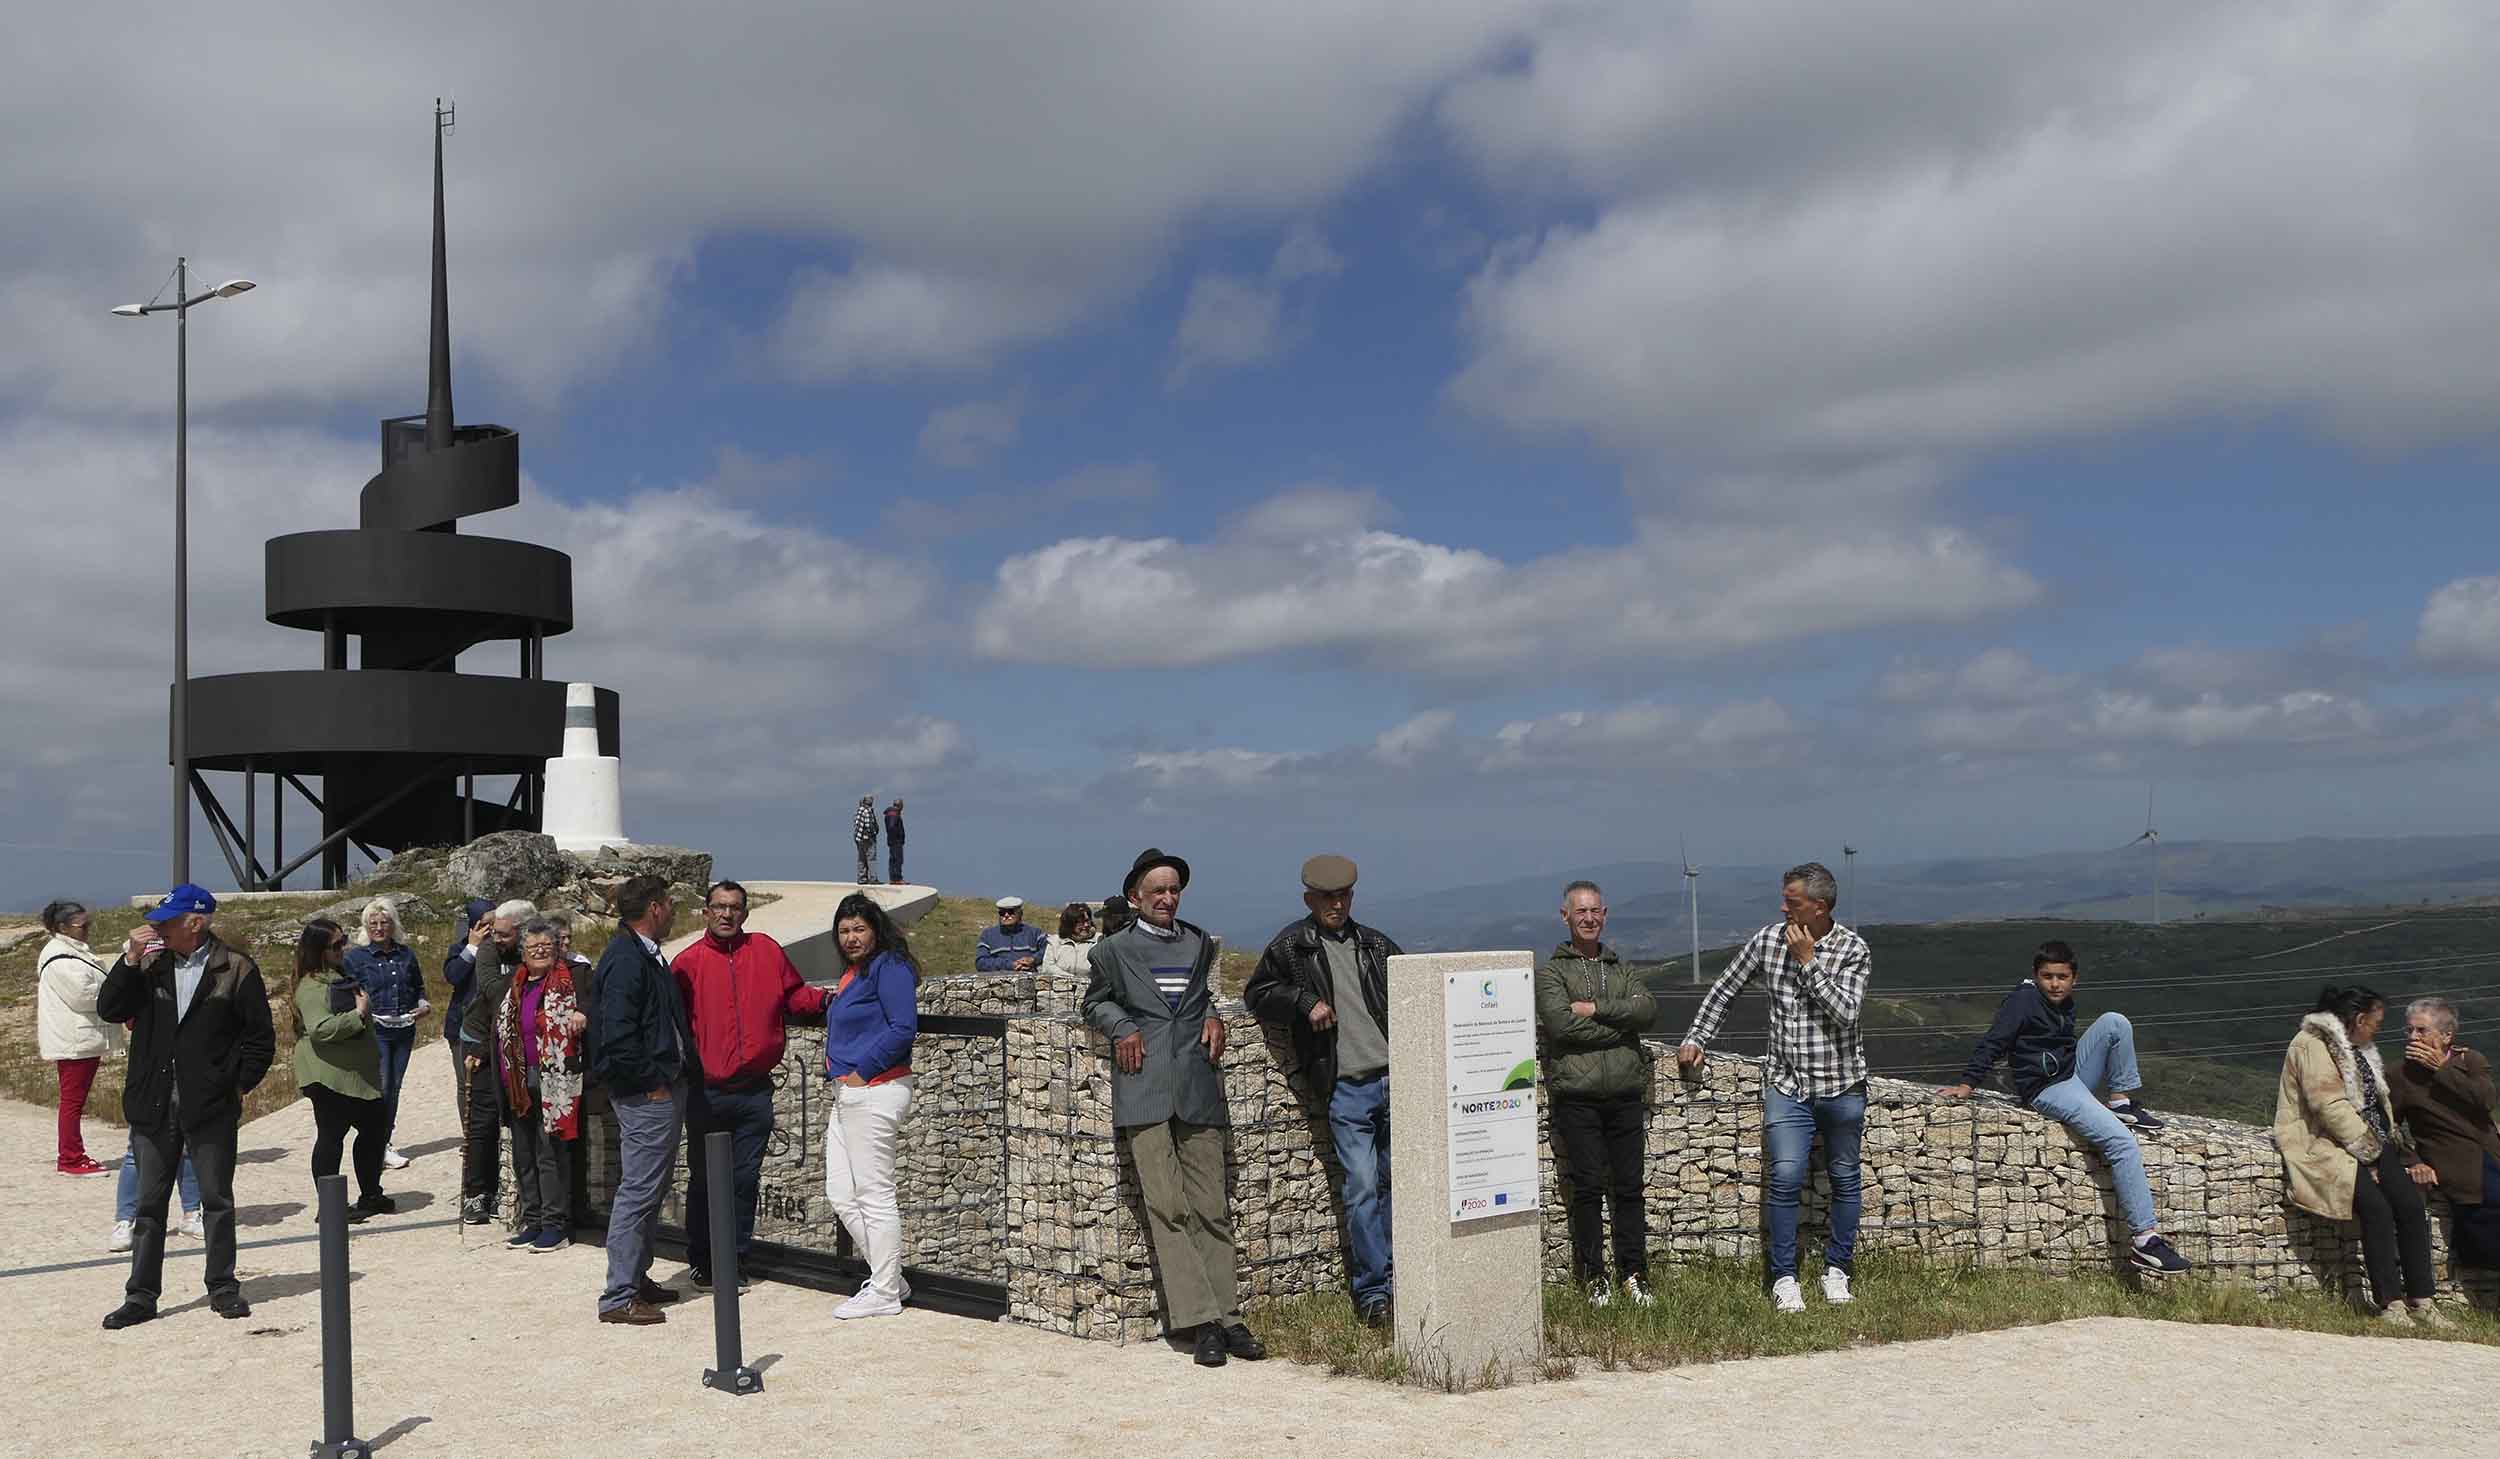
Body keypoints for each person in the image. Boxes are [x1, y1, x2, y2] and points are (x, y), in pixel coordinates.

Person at [1082, 847, 1262, 1367]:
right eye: (1157, 890)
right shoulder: (1112, 951)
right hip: (1145, 1090)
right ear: (1135, 897)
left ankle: (1229, 1317)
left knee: (1212, 1207)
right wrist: (1121, 1025)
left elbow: (1198, 997)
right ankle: (1201, 1321)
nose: (1167, 898)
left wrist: (1212, 1014)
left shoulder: (1198, 943)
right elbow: (1094, 1002)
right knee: (1168, 1207)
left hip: (1198, 1086)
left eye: (1173, 889)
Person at [1679, 862, 1872, 1315]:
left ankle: (1837, 1268)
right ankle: (1784, 1277)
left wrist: (1808, 962)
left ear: (1819, 907)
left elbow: (1846, 1012)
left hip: (1842, 1086)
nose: (1783, 908)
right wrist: (1696, 1037)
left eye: (1792, 901)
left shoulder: (1853, 949)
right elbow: (1725, 989)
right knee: (1785, 1176)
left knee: (1845, 1177)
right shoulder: (1767, 941)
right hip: (1787, 1085)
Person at [1938, 941, 2189, 1276]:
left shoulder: (2062, 1000)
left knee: (2115, 1022)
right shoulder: (2023, 1002)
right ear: (2035, 976)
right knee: (2123, 1143)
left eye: (2062, 977)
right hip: (2047, 1088)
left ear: (2074, 979)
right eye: (2047, 977)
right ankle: (2145, 1240)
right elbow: (1995, 1041)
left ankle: (2120, 1102)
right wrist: (1967, 1085)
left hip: (2069, 1074)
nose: (2055, 984)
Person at [95, 884, 276, 1328]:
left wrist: (235, 1087)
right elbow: (110, 1008)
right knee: (149, 1205)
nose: (156, 928)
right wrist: (129, 961)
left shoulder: (236, 967)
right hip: (153, 1102)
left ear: (195, 923)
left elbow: (259, 1039)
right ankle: (140, 1296)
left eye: (166, 921)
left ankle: (223, 1286)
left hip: (211, 1106)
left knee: (216, 1200)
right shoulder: (149, 964)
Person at [1244, 855, 1404, 1325]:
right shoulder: (1292, 946)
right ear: (1309, 899)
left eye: (1343, 896)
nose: (1337, 904)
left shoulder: (1376, 944)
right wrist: (1303, 1000)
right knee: (1362, 1188)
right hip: (1346, 1087)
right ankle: (1373, 1293)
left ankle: (1402, 1281)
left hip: (1396, 1081)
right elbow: (1257, 994)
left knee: (1397, 1185)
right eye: (1327, 897)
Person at [670, 879, 827, 1287]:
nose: (726, 914)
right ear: (706, 911)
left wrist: (831, 999)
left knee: (744, 1180)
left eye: (734, 907)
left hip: (755, 1091)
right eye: (719, 907)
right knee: (704, 1181)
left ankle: (735, 1258)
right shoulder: (686, 963)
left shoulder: (766, 951)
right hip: (706, 1092)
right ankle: (703, 1260)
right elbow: (671, 1024)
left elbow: (794, 995)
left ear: (745, 913)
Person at [2274, 984, 2447, 1327]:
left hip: (2371, 1142)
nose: (2377, 1030)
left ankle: (2423, 1300)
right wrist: (2368, 1155)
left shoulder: (2358, 1047)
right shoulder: (2311, 1044)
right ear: (2360, 1019)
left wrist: (2388, 1151)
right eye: (2376, 1022)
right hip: (2325, 1143)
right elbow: (2329, 1105)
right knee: (2376, 1209)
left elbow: (2374, 1105)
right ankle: (2391, 1302)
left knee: (2411, 1207)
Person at [1535, 880, 1657, 1308]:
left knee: (1630, 1189)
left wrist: (1595, 1009)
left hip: (1624, 1094)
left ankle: (1634, 1273)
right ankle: (1593, 1276)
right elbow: (1560, 1026)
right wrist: (1621, 1028)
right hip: (1578, 1096)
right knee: (1587, 1189)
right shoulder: (1552, 973)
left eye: (1595, 911)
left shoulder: (1621, 968)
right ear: (1565, 916)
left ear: (1604, 915)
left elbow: (1648, 1010)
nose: (1588, 918)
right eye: (1580, 911)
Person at [591, 874, 691, 1325]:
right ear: (654, 907)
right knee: (638, 1191)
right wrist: (652, 1082)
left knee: (650, 1188)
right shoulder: (627, 959)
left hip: (655, 1089)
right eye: (669, 904)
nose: (673, 911)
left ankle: (636, 1277)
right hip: (646, 1095)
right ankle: (619, 1295)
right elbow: (618, 1036)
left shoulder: (638, 953)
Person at [822, 892, 921, 1318]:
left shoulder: (889, 966)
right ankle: (890, 1278)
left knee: (874, 1194)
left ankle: (884, 1292)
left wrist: (862, 1072)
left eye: (859, 929)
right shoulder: (854, 973)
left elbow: (903, 1027)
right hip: (850, 1092)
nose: (851, 937)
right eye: (844, 930)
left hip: (874, 1089)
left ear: (876, 930)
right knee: (842, 1193)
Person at [289, 918, 392, 1220]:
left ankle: (370, 1194)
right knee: (331, 1137)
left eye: (343, 941)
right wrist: (358, 1015)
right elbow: (320, 1029)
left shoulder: (338, 975)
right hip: (327, 1076)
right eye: (336, 945)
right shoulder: (311, 987)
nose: (342, 948)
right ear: (319, 950)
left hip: (353, 1075)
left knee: (374, 1130)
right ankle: (330, 1208)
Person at [2387, 996, 2500, 1269]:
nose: (2413, 1037)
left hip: (2490, 1153)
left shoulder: (2470, 1061)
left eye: (2421, 1030)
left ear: (2447, 1036)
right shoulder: (2400, 1074)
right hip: (2452, 1162)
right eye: (2409, 1030)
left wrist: (2443, 1069)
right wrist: (2412, 1160)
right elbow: (2387, 1126)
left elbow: (2485, 1100)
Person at [500, 919, 589, 1253]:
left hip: (556, 1079)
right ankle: (533, 1220)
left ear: (557, 948)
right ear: (522, 952)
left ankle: (556, 1224)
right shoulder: (516, 983)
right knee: (524, 1153)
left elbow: (595, 1004)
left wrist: (582, 1012)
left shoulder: (574, 977)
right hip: (519, 1078)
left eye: (546, 945)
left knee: (549, 1152)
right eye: (533, 946)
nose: (539, 951)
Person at [456, 899, 535, 1225]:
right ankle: (476, 1193)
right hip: (481, 1040)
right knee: (483, 1120)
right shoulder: (489, 950)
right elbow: (491, 990)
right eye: (495, 932)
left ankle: (522, 1193)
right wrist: (529, 979)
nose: (496, 938)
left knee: (521, 1116)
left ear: (523, 932)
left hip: (520, 1043)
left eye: (504, 934)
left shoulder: (536, 949)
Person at [345, 898, 427, 1170]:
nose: (379, 928)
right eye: (373, 923)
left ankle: (383, 1142)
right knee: (382, 1086)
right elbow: (347, 993)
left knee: (394, 1087)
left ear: (393, 925)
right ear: (365, 926)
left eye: (384, 923)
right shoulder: (356, 958)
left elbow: (418, 987)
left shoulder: (406, 955)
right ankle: (376, 1143)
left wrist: (423, 1005)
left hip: (404, 1028)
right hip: (375, 1030)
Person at [37, 899, 116, 1175]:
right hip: (74, 1040)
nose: (88, 929)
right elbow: (83, 996)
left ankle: (71, 1155)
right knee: (72, 1101)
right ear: (63, 927)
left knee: (73, 1100)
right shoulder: (59, 957)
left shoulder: (72, 950)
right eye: (82, 925)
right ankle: (71, 1158)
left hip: (81, 1038)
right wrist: (117, 995)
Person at [441, 896, 492, 1116]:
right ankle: (470, 1132)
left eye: (493, 923)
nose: (489, 930)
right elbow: (453, 976)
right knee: (466, 1083)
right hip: (461, 1027)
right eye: (484, 924)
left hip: (491, 1026)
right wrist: (472, 947)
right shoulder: (459, 949)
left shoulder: (503, 947)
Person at [975, 896, 1049, 972]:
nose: (1006, 915)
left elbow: (1048, 950)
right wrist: (1009, 965)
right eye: (1002, 913)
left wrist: (1033, 959)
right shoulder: (988, 935)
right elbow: (980, 962)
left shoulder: (1035, 933)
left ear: (1020, 913)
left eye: (1011, 912)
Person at [1043, 901, 1098, 977]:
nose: (1086, 925)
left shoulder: (1098, 941)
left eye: (1087, 921)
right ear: (1070, 924)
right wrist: (1070, 978)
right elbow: (1048, 967)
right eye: (1081, 922)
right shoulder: (1054, 942)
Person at [853, 794, 879, 883]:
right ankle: (873, 878)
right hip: (867, 838)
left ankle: (861, 878)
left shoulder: (859, 810)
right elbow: (869, 825)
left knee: (861, 858)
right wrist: (874, 833)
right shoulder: (867, 811)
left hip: (859, 838)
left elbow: (856, 823)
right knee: (871, 858)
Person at [884, 798, 907, 884]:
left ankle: (893, 878)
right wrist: (897, 837)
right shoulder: (894, 814)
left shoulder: (890, 813)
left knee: (893, 860)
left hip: (892, 840)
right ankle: (897, 878)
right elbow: (892, 827)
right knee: (897, 860)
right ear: (900, 805)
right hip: (896, 841)